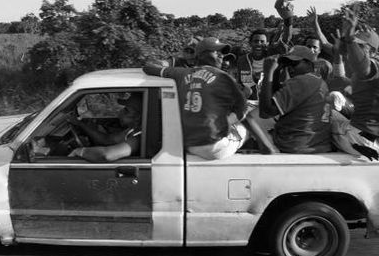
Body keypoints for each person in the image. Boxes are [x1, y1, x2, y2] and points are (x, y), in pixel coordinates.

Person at [144, 37, 275, 159]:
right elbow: (242, 110)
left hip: (189, 145)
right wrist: (225, 123)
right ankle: (268, 148)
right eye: (215, 52)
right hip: (215, 148)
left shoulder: (180, 73)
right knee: (250, 121)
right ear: (201, 55)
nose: (221, 56)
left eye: (222, 53)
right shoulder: (223, 77)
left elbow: (148, 67)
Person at [335, 7, 379, 158]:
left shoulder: (374, 65)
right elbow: (341, 76)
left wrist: (350, 38)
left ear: (372, 51)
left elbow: (363, 67)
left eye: (360, 46)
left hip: (364, 140)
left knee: (327, 115)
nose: (353, 49)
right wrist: (342, 47)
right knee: (338, 105)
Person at [257, 45, 332, 153]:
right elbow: (277, 96)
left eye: (294, 63)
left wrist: (268, 72)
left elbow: (265, 112)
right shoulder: (317, 80)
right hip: (317, 143)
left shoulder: (301, 81)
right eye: (286, 65)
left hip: (293, 145)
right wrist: (276, 72)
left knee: (248, 124)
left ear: (309, 63)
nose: (290, 68)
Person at [65, 94, 143, 162]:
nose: (121, 112)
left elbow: (107, 155)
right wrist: (80, 124)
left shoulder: (138, 137)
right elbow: (107, 139)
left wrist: (80, 152)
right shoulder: (132, 130)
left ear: (138, 117)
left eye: (126, 111)